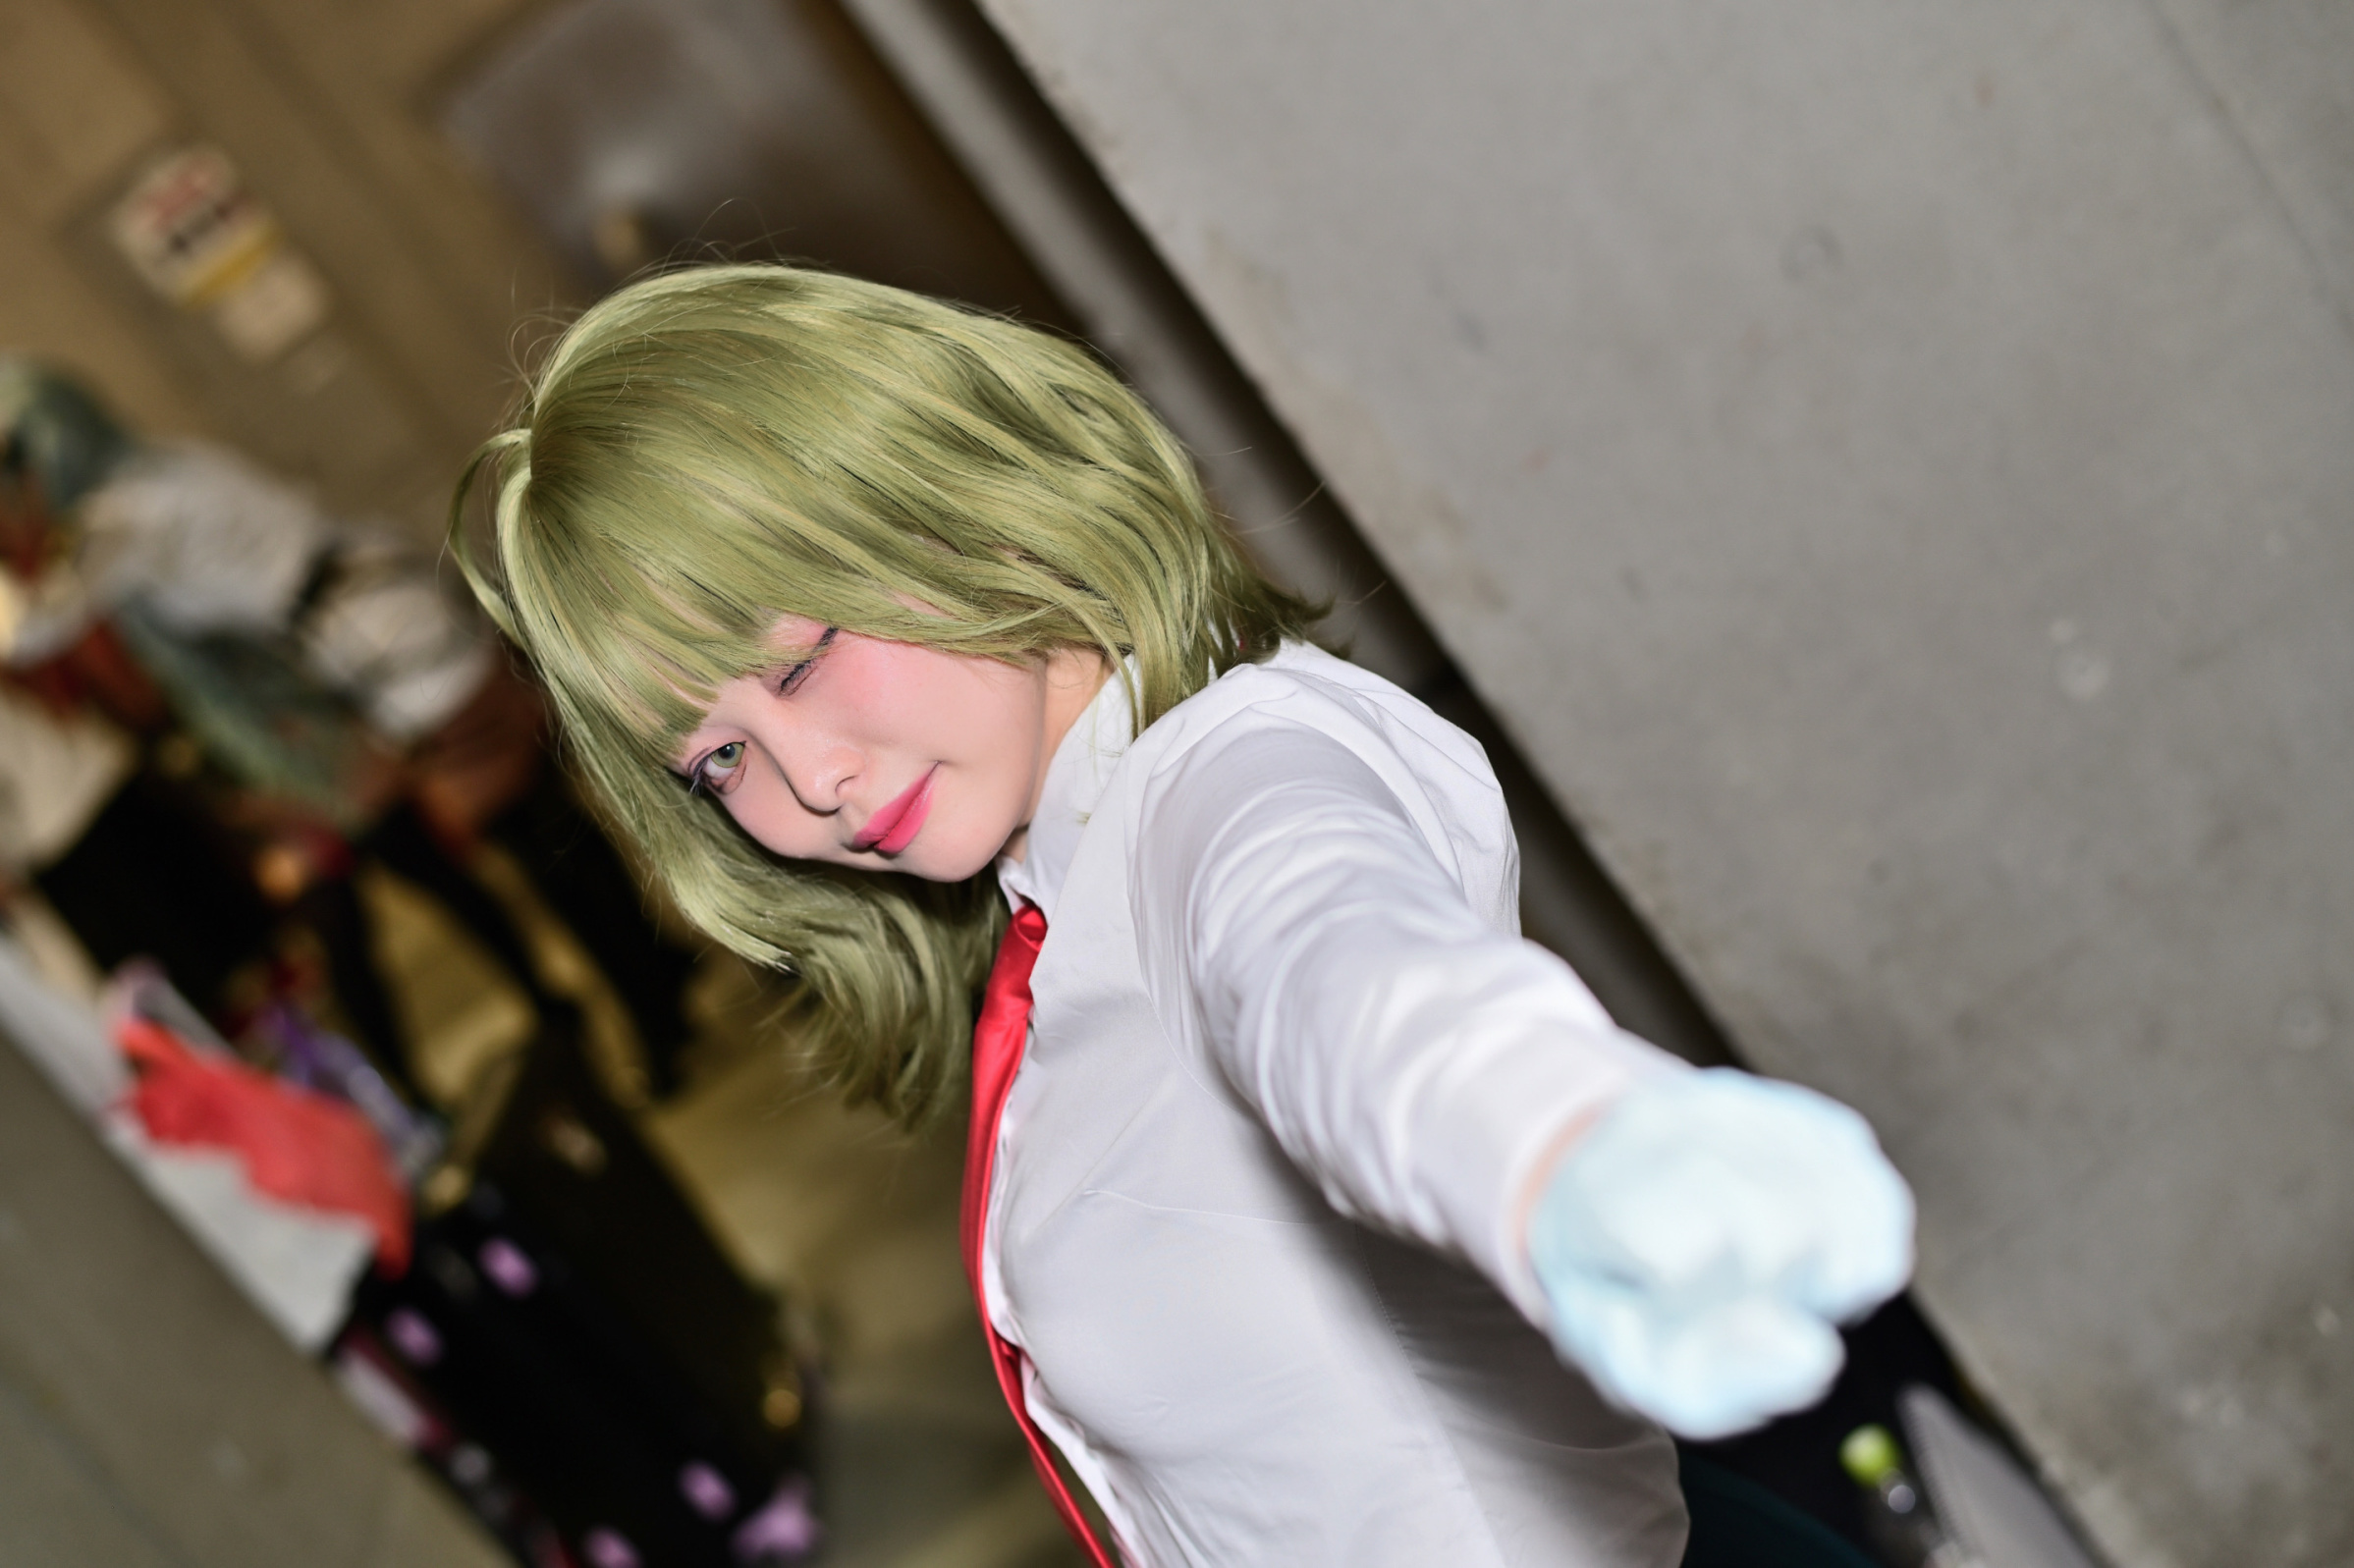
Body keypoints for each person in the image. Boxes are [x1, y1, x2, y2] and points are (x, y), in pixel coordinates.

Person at [452, 264, 1915, 1567]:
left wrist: (1559, 1148)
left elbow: (1342, 974)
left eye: (800, 658)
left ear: (937, 495)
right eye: (716, 760)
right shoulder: (1060, 878)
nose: (810, 777)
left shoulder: (1229, 781)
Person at [0, 359, 700, 1096]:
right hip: (363, 632)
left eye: (19, 462)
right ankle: (662, 984)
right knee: (537, 818)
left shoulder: (129, 512)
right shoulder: (152, 479)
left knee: (530, 821)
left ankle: (662, 1004)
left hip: (377, 628)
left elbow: (31, 630)